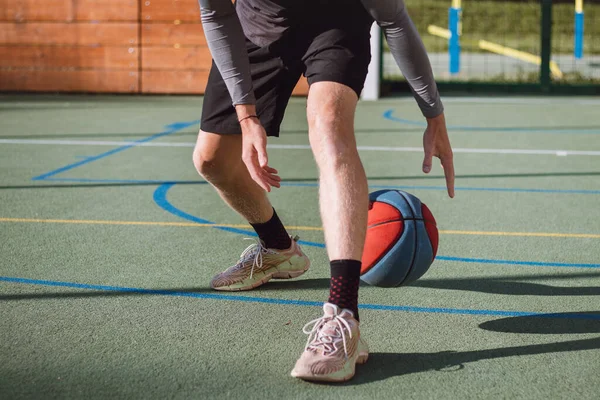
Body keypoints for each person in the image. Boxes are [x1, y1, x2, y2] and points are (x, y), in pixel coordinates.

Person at [195, 0, 455, 382]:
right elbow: (215, 12)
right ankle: (279, 250)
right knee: (212, 161)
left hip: (336, 22)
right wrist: (246, 115)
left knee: (330, 130)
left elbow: (394, 20)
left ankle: (343, 314)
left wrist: (434, 113)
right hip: (256, 27)